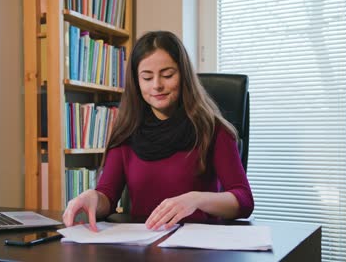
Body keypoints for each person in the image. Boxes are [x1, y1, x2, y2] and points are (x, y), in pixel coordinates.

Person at [63, 31, 254, 232]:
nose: (157, 85)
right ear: (137, 82)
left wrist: (196, 199)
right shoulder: (127, 131)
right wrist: (92, 197)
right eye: (147, 77)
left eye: (167, 75)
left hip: (197, 246)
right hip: (142, 245)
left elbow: (244, 200)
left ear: (184, 76)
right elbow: (107, 197)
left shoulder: (212, 129)